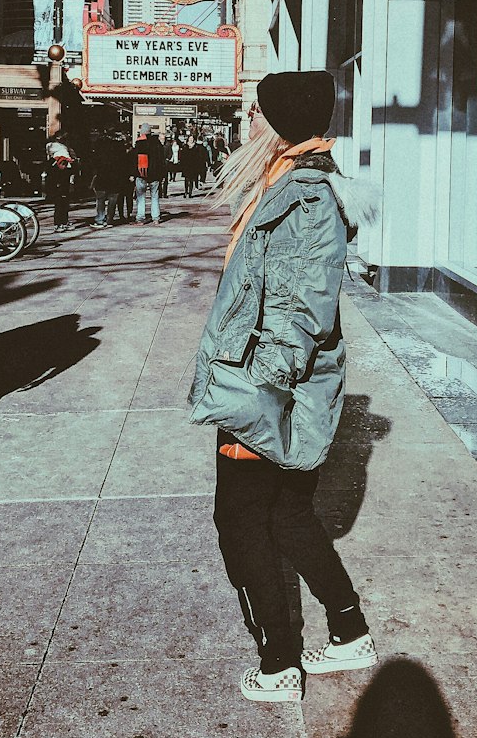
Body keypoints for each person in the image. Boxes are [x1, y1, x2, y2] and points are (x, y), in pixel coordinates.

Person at [189, 70, 378, 703]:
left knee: (240, 521)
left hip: (267, 389)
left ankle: (277, 666)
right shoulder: (287, 188)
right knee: (288, 514)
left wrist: (257, 405)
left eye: (256, 114)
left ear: (278, 126)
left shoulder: (304, 198)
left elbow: (301, 312)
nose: (249, 126)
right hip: (270, 384)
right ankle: (349, 630)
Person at [133, 123, 166, 225]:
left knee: (141, 197)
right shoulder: (157, 144)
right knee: (155, 196)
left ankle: (140, 218)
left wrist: (133, 173)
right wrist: (162, 175)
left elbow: (134, 160)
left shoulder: (139, 143)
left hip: (141, 174)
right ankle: (156, 217)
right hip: (155, 175)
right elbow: (161, 160)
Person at [45, 130, 76, 232]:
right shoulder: (63, 150)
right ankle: (61, 223)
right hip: (62, 179)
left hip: (57, 180)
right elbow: (69, 166)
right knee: (62, 202)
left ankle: (60, 223)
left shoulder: (52, 154)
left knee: (60, 202)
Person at [90, 130, 122, 228]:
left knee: (101, 199)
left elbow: (95, 163)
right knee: (112, 199)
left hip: (102, 176)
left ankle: (100, 219)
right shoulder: (119, 148)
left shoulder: (99, 149)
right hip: (115, 176)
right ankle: (109, 219)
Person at [180, 134, 205, 198]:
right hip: (186, 165)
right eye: (190, 138)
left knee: (191, 179)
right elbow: (182, 156)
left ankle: (190, 192)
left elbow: (198, 156)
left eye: (192, 138)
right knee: (186, 179)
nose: (191, 140)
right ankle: (186, 192)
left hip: (193, 165)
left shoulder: (196, 147)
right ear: (188, 139)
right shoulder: (185, 146)